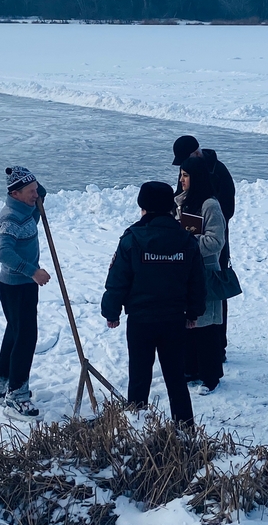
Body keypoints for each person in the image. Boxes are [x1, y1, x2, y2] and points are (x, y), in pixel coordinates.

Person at [101, 181, 206, 425]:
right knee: (176, 377)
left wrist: (111, 311)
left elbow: (118, 280)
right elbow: (197, 282)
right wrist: (193, 312)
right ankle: (185, 428)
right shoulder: (186, 239)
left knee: (139, 375)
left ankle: (137, 427)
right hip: (174, 319)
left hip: (141, 321)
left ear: (143, 207)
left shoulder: (132, 239)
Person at [0, 166, 51, 420]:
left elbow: (40, 195)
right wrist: (32, 271)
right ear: (15, 194)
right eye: (30, 191)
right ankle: (16, 394)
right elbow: (3, 253)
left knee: (16, 331)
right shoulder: (11, 218)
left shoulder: (26, 212)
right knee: (26, 336)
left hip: (20, 285)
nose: (36, 194)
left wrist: (34, 185)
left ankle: (3, 380)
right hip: (16, 286)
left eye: (36, 189)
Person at [173, 135, 235, 362]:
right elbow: (178, 200)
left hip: (212, 244)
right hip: (189, 245)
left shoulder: (219, 172)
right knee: (193, 293)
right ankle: (195, 349)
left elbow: (226, 211)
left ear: (196, 154)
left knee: (215, 291)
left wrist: (199, 223)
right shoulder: (185, 172)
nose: (181, 176)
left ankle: (219, 345)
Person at [175, 156, 226, 395]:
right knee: (189, 322)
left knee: (207, 326)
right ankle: (190, 368)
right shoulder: (181, 202)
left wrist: (187, 241)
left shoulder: (210, 205)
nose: (182, 180)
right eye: (181, 175)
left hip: (205, 271)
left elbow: (216, 242)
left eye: (186, 176)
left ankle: (210, 376)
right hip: (185, 273)